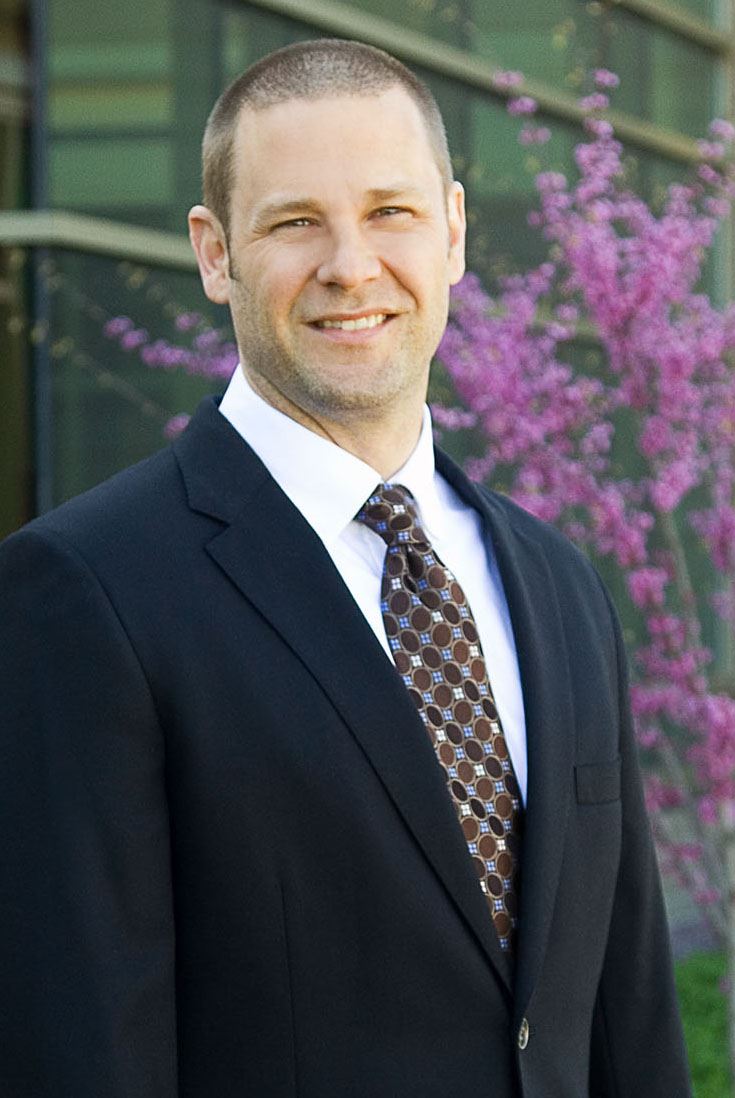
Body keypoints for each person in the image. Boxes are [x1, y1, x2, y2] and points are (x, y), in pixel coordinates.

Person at [0, 38, 691, 1098]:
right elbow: (81, 1048)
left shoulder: (558, 585)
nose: (349, 266)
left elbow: (622, 1013)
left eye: (390, 212)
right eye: (292, 223)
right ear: (214, 250)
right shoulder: (82, 593)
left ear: (453, 231)